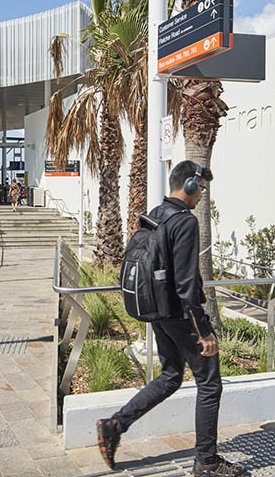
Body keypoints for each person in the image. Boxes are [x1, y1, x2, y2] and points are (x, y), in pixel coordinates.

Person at [95, 161, 243, 477]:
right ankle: (206, 463)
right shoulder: (185, 222)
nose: (202, 195)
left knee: (172, 375)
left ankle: (115, 425)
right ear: (188, 185)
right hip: (179, 314)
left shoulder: (156, 214)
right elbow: (188, 282)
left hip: (158, 311)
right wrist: (203, 330)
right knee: (210, 383)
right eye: (201, 188)